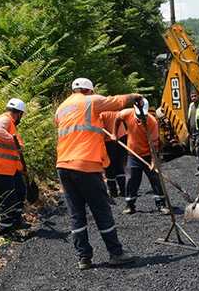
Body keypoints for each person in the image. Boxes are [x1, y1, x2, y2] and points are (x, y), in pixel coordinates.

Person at [55, 77, 140, 269]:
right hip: (85, 164)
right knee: (101, 209)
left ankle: (84, 257)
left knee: (76, 213)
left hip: (63, 165)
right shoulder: (90, 101)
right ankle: (116, 253)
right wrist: (135, 96)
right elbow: (116, 101)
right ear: (89, 90)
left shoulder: (61, 109)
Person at [0, 98, 30, 237]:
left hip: (9, 170)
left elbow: (12, 153)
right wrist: (14, 142)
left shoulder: (10, 123)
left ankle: (16, 222)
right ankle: (4, 231)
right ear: (19, 113)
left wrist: (21, 168)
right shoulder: (5, 119)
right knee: (8, 199)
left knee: (20, 191)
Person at [118, 100, 170, 216]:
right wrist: (114, 133)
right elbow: (117, 118)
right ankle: (130, 205)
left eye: (144, 115)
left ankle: (161, 204)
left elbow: (154, 144)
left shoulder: (152, 122)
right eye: (139, 115)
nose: (142, 117)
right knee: (131, 179)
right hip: (133, 155)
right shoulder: (126, 113)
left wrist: (153, 161)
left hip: (148, 154)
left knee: (155, 178)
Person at [100, 110, 127, 199]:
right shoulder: (117, 111)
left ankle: (113, 192)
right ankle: (123, 190)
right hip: (122, 138)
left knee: (110, 166)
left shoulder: (101, 114)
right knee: (120, 165)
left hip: (109, 141)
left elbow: (101, 130)